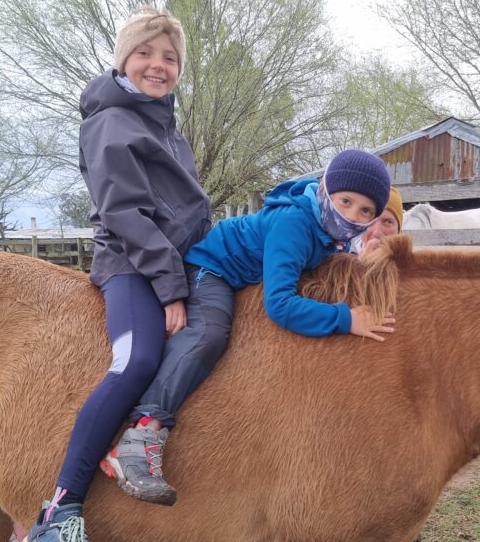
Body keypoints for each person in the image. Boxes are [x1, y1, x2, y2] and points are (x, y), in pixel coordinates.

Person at [25, 7, 210, 542]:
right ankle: (59, 514)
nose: (158, 65)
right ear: (123, 59)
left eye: (170, 58)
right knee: (136, 359)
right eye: (145, 53)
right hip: (131, 264)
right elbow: (126, 213)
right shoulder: (110, 122)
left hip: (172, 261)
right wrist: (170, 287)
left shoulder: (166, 128)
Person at [99, 149, 398, 505]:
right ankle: (139, 435)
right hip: (212, 269)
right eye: (345, 201)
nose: (351, 215)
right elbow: (280, 305)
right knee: (209, 334)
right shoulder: (295, 223)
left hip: (245, 276)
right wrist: (345, 318)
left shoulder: (334, 231)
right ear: (325, 189)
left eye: (365, 211)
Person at [350, 189, 432, 542]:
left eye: (388, 222)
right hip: (346, 423)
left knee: (405, 524)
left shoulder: (414, 284)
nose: (377, 230)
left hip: (401, 424)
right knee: (347, 517)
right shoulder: (332, 274)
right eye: (370, 219)